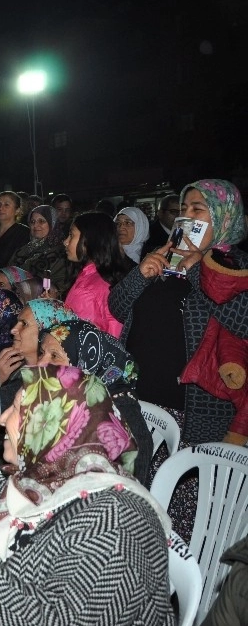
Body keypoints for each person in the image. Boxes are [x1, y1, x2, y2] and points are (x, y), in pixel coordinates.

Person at [0, 365, 174, 626]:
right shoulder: (13, 490)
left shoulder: (120, 520)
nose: (4, 418)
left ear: (57, 423)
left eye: (18, 408)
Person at [109, 178, 248, 444]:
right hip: (138, 398)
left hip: (195, 411)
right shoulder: (164, 256)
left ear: (224, 217)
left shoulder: (236, 266)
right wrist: (140, 274)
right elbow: (117, 308)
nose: (186, 217)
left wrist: (198, 270)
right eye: (184, 209)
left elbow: (242, 321)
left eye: (198, 210)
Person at [37, 319, 154, 485]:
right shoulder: (72, 398)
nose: (40, 363)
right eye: (42, 353)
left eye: (54, 356)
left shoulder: (123, 422)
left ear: (87, 362)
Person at [0, 298, 78, 408]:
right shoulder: (10, 367)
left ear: (46, 329)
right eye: (18, 323)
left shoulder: (52, 389)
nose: (13, 330)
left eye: (24, 324)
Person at [63, 211, 131, 337]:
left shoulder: (86, 290)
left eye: (71, 235)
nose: (65, 242)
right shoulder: (106, 274)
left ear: (89, 241)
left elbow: (73, 340)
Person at [8, 204, 69, 296]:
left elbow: (60, 286)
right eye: (32, 222)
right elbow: (7, 272)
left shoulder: (61, 252)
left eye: (41, 221)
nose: (36, 225)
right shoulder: (25, 248)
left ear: (52, 223)